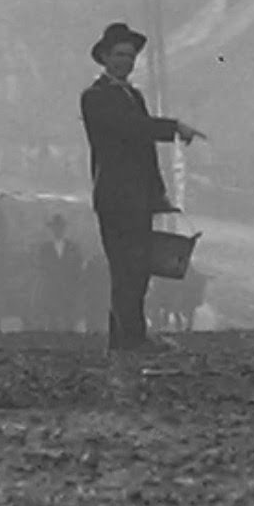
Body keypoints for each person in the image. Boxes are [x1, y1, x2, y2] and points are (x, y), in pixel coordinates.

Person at [80, 22, 206, 353]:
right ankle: (130, 338)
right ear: (104, 57)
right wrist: (173, 127)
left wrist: (157, 194)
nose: (125, 61)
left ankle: (125, 337)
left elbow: (143, 150)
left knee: (136, 269)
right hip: (115, 196)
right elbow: (132, 129)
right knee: (126, 267)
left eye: (130, 55)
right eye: (119, 54)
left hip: (136, 197)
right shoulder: (95, 98)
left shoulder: (132, 95)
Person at [35, 214, 83, 331]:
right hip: (51, 290)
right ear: (52, 230)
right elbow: (41, 267)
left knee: (69, 320)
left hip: (69, 289)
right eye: (55, 228)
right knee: (52, 319)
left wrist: (74, 284)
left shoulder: (73, 248)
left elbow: (78, 267)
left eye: (60, 227)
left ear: (64, 229)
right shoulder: (44, 249)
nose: (58, 230)